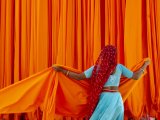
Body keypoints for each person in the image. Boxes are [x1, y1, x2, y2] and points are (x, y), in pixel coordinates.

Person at [53, 45, 150, 120]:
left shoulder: (97, 68)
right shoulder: (119, 67)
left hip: (105, 97)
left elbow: (79, 77)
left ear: (103, 55)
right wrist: (145, 65)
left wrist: (62, 71)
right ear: (114, 56)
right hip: (116, 98)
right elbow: (136, 76)